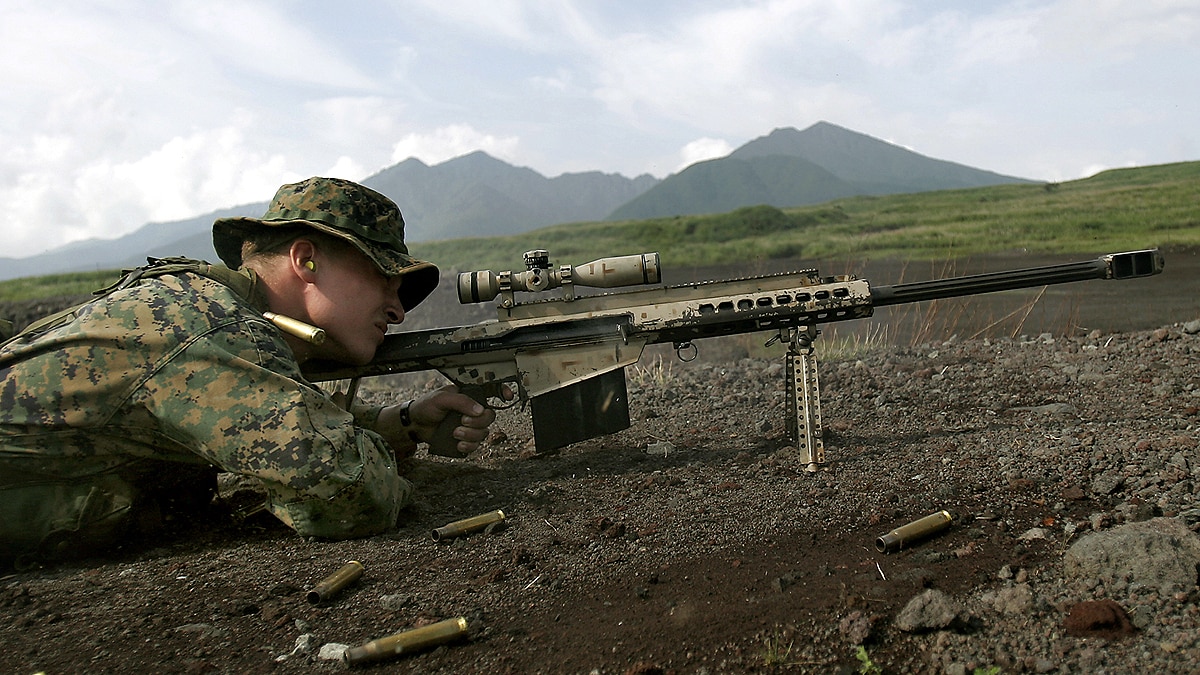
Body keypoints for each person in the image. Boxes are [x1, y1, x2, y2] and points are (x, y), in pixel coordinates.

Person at [0, 176, 500, 567]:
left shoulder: (214, 310)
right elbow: (345, 489)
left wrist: (403, 421)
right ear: (306, 260)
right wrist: (381, 464)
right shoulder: (211, 325)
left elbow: (284, 418)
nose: (398, 311)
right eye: (383, 280)